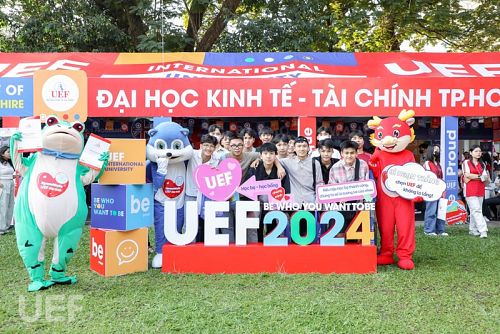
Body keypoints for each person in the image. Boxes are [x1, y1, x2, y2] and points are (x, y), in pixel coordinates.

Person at [244, 143, 291, 242]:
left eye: (271, 153)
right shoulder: (254, 168)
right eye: (265, 153)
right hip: (257, 202)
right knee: (252, 217)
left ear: (275, 155)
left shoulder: (281, 170)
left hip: (275, 202)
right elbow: (248, 188)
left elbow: (286, 190)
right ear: (261, 155)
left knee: (282, 217)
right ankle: (253, 244)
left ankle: (279, 241)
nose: (268, 156)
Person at [185, 134, 220, 242]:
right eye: (206, 145)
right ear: (200, 146)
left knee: (210, 223)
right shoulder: (192, 154)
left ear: (215, 148)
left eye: (211, 146)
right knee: (189, 223)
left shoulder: (217, 159)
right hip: (191, 193)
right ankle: (189, 247)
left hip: (207, 196)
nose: (208, 149)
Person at [462, 145, 490, 238]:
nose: (478, 153)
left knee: (476, 210)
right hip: (470, 190)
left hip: (480, 189)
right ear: (471, 152)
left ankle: (473, 229)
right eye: (476, 151)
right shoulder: (466, 162)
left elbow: (485, 177)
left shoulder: (483, 164)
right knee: (476, 210)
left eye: (479, 151)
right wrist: (479, 176)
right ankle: (483, 230)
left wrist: (474, 176)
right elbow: (466, 175)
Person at [423, 145, 448, 236]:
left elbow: (441, 177)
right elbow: (429, 177)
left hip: (440, 189)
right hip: (431, 190)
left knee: (440, 211)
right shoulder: (427, 163)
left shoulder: (438, 164)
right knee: (431, 210)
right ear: (431, 151)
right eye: (435, 150)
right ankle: (429, 230)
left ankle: (440, 230)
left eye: (438, 150)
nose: (437, 151)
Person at [0, 145, 14, 235]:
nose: (9, 153)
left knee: (10, 205)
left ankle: (7, 225)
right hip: (2, 184)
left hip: (11, 183)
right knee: (3, 205)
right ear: (2, 153)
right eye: (8, 152)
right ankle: (1, 228)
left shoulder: (9, 163)